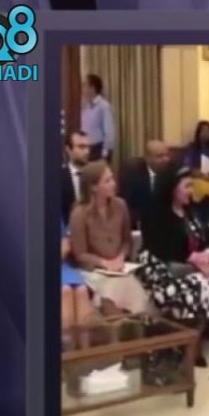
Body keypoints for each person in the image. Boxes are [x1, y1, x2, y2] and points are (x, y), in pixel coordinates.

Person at [136, 164, 209, 326]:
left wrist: (208, 254)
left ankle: (194, 336)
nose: (191, 191)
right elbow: (161, 248)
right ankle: (184, 335)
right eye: (187, 186)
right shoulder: (155, 213)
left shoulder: (191, 210)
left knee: (205, 280)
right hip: (159, 265)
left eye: (192, 186)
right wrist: (194, 260)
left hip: (190, 266)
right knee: (197, 283)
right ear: (172, 189)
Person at [68, 161, 150, 315]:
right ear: (93, 187)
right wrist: (105, 263)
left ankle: (135, 326)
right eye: (107, 181)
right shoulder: (79, 214)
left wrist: (120, 258)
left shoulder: (121, 206)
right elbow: (80, 254)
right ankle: (115, 327)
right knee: (111, 294)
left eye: (112, 179)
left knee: (133, 290)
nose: (114, 184)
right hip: (93, 271)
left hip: (119, 268)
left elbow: (127, 241)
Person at [120, 140, 171, 230]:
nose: (166, 159)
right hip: (141, 224)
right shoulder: (133, 176)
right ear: (147, 159)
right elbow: (128, 205)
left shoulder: (173, 173)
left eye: (167, 155)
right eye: (160, 156)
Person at [61, 219, 93, 329]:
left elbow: (65, 243)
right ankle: (67, 339)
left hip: (61, 264)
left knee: (81, 290)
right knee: (65, 291)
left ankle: (85, 338)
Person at [80, 74, 116, 162]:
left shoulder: (104, 106)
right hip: (86, 151)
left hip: (98, 151)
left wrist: (104, 155)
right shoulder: (86, 108)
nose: (82, 89)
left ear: (92, 88)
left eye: (84, 85)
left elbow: (109, 133)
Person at [61, 131, 91, 224]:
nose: (87, 151)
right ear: (68, 149)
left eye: (88, 147)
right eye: (81, 147)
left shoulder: (96, 176)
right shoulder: (58, 179)